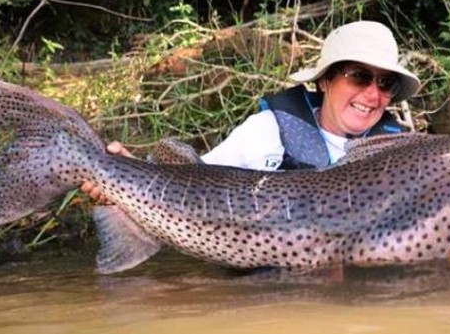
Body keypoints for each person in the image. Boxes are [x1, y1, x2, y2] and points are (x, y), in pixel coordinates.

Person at [81, 20, 421, 200]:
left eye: (385, 83)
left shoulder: (405, 155)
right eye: (360, 76)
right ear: (324, 81)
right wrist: (124, 178)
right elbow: (190, 186)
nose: (372, 94)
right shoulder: (267, 131)